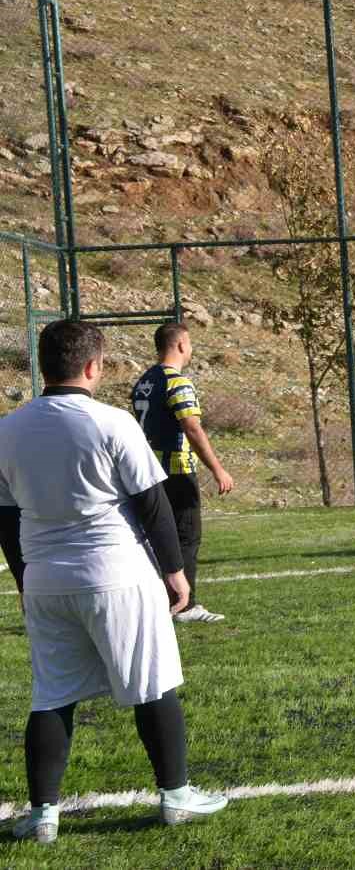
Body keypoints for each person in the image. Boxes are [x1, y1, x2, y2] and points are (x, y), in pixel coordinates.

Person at [0, 320, 228, 844]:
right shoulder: (112, 423)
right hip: (116, 574)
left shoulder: (8, 430)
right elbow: (153, 503)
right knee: (152, 684)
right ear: (92, 367)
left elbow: (3, 517)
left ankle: (43, 815)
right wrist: (175, 573)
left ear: (43, 366)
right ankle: (175, 797)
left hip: (46, 580)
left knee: (51, 695)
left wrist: (24, 578)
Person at [133, 322, 234, 624]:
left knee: (158, 536)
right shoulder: (177, 382)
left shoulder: (143, 381)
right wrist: (217, 469)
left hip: (149, 470)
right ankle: (185, 606)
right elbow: (191, 426)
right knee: (187, 536)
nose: (190, 349)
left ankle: (160, 601)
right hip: (177, 470)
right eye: (189, 344)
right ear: (179, 345)